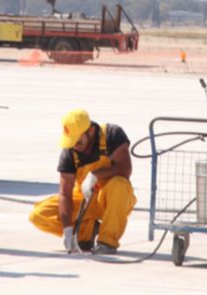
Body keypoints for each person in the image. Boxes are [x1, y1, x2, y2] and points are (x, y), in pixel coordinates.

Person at [29, 109, 136, 255]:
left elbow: (125, 169)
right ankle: (86, 233)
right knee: (39, 215)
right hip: (85, 199)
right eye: (71, 141)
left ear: (91, 131)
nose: (75, 146)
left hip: (112, 199)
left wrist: (96, 175)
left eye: (78, 141)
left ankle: (107, 242)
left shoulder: (111, 135)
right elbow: (65, 194)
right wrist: (67, 229)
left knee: (119, 185)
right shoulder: (69, 153)